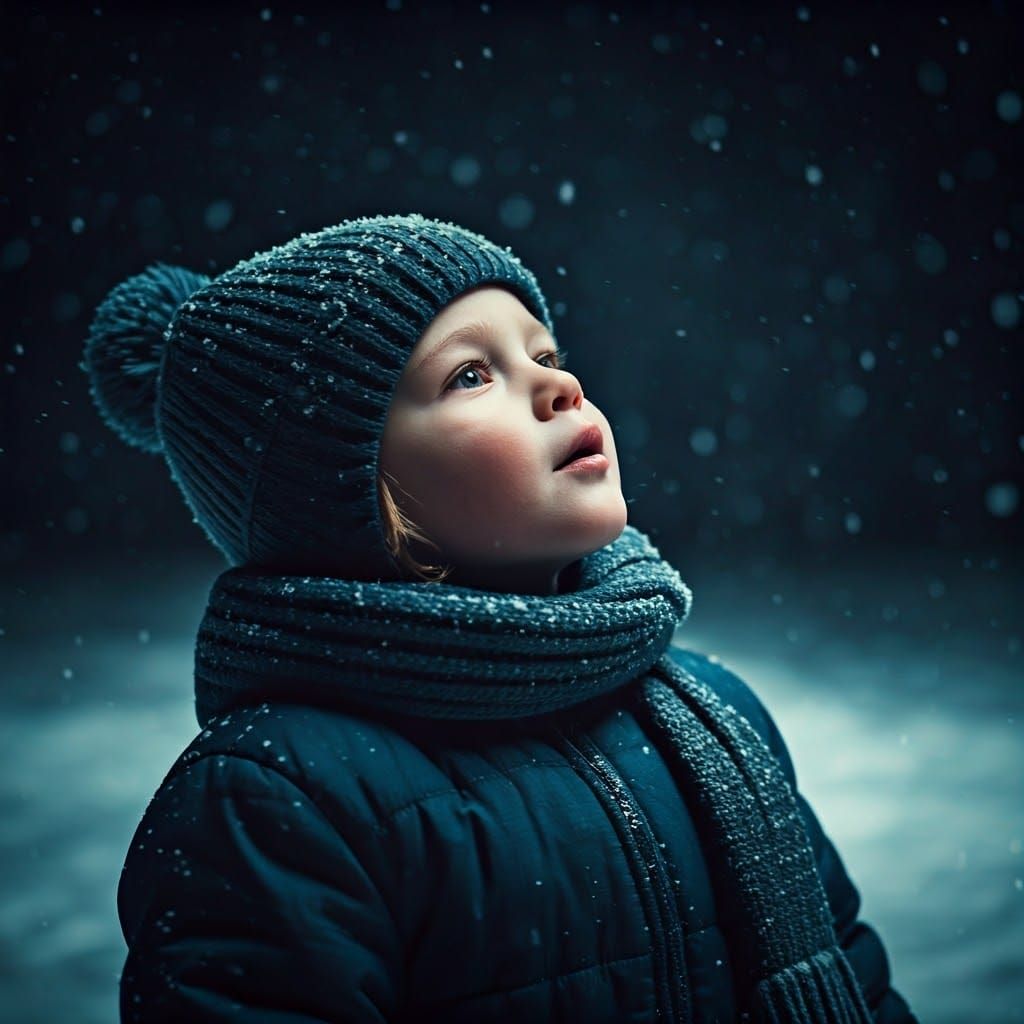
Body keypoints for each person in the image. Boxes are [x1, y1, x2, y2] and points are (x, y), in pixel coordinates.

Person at [83, 213, 918, 1023]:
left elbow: (857, 983)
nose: (561, 387)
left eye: (545, 355)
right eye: (471, 376)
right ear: (341, 495)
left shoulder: (714, 713)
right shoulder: (271, 798)